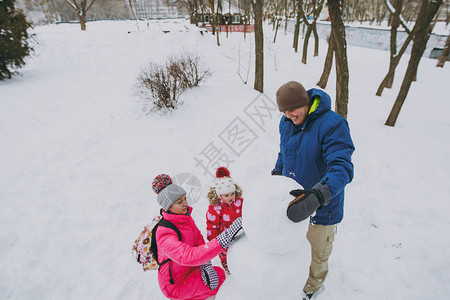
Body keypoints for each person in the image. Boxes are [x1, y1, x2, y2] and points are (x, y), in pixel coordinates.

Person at [272, 81, 354, 300]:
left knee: (316, 254)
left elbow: (342, 168)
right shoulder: (286, 123)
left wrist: (317, 196)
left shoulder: (333, 124)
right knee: (293, 248)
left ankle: (311, 288)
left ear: (305, 103)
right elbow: (284, 153)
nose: (288, 115)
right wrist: (276, 177)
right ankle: (293, 280)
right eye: (284, 111)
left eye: (292, 109)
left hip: (322, 208)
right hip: (292, 204)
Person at [152, 174, 243, 300]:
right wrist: (223, 239)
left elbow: (198, 239)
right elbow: (186, 256)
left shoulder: (184, 218)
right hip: (176, 284)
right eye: (179, 202)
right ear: (168, 207)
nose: (185, 204)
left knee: (218, 276)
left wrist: (206, 264)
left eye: (185, 199)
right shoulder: (164, 234)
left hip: (191, 269)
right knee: (218, 280)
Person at [206, 167, 244, 274]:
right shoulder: (215, 209)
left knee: (240, 250)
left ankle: (241, 263)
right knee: (226, 254)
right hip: (225, 237)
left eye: (232, 193)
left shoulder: (239, 202)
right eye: (226, 195)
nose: (231, 197)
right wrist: (216, 242)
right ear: (219, 195)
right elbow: (211, 226)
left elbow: (247, 212)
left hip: (240, 233)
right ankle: (227, 265)